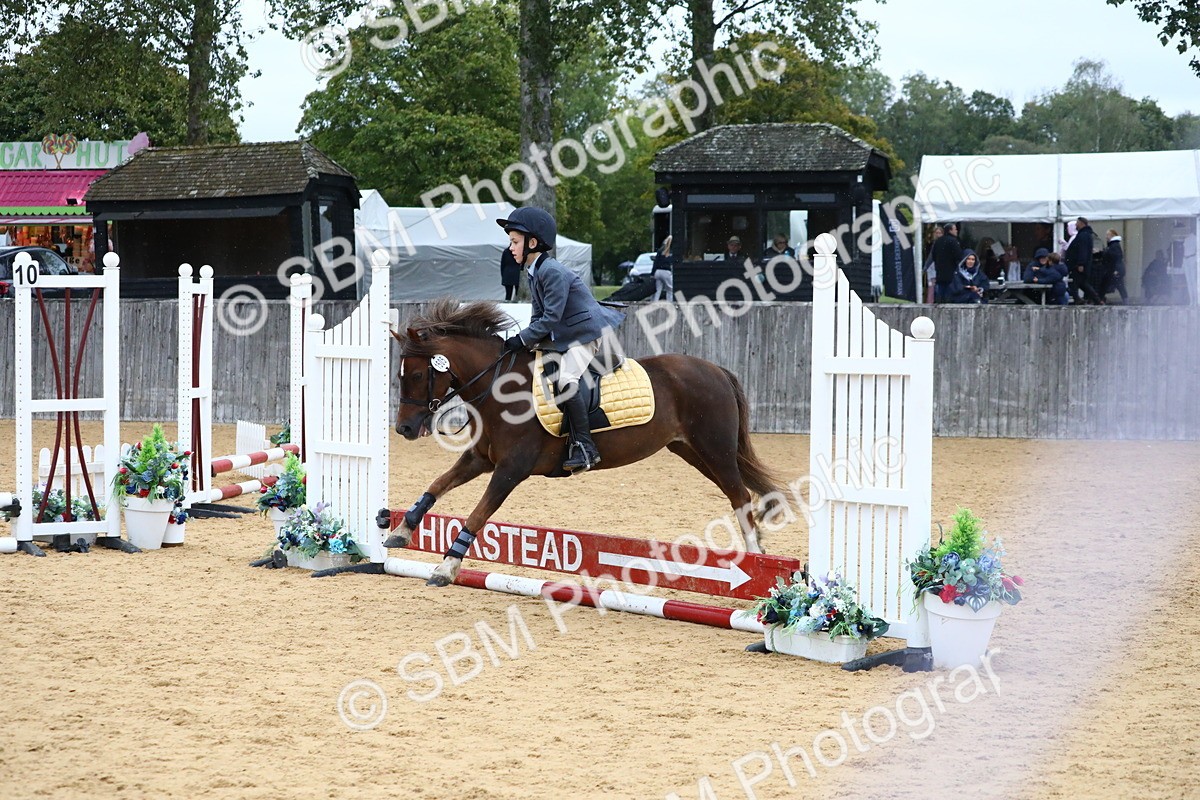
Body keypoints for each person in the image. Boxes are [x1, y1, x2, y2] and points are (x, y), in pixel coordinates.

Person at [498, 207, 624, 474]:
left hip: (585, 334)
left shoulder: (551, 271)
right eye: (511, 241)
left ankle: (585, 447)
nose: (510, 247)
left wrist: (522, 339)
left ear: (532, 243)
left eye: (514, 241)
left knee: (567, 380)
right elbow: (538, 316)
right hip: (565, 334)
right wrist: (520, 343)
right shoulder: (534, 271)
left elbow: (551, 319)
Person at [1065, 216, 1103, 304]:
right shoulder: (1085, 235)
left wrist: (1080, 263)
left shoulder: (1083, 235)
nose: (1075, 225)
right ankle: (1096, 299)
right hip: (1079, 265)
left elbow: (1083, 250)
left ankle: (1078, 299)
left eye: (1077, 223)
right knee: (1082, 283)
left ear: (1081, 224)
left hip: (1077, 265)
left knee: (1074, 283)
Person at [931, 222, 964, 302]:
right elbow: (959, 256)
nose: (956, 231)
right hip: (951, 273)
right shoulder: (953, 241)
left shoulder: (938, 241)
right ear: (950, 230)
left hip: (940, 272)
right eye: (955, 229)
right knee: (949, 295)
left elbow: (934, 255)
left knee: (941, 293)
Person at [1100, 229, 1127, 304]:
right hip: (1114, 270)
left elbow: (1117, 258)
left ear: (1112, 236)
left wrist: (1116, 270)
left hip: (1113, 270)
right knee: (1120, 286)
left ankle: (1099, 300)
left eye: (1107, 235)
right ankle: (1125, 301)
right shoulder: (1114, 245)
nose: (1106, 237)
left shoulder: (1114, 246)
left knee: (1105, 285)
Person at [923, 224, 943, 303]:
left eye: (939, 233)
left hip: (939, 268)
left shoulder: (941, 244)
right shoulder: (932, 244)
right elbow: (930, 256)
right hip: (932, 268)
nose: (938, 235)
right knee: (931, 287)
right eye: (936, 233)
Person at [651, 235, 674, 301]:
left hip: (658, 271)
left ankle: (654, 302)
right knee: (670, 289)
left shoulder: (660, 250)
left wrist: (652, 273)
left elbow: (656, 262)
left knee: (657, 289)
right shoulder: (671, 252)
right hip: (666, 272)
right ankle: (669, 303)